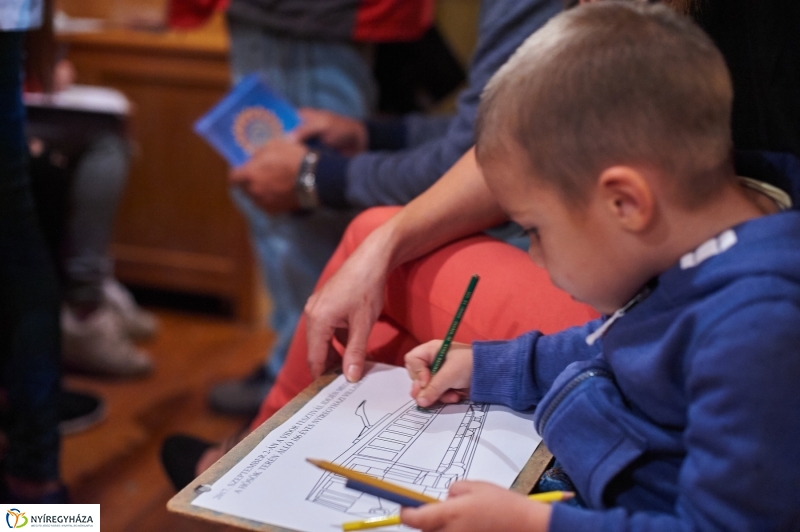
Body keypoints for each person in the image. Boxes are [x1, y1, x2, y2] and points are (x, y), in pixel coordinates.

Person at [396, 3, 800, 529]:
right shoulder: (693, 251)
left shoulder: (755, 330)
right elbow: (617, 340)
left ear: (625, 203)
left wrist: (535, 526)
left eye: (535, 231)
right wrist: (489, 367)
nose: (534, 255)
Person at [206, 0, 440, 416]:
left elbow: (480, 150)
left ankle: (306, 385)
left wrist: (318, 177)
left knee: (296, 209)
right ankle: (295, 367)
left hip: (301, 16)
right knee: (276, 193)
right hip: (293, 18)